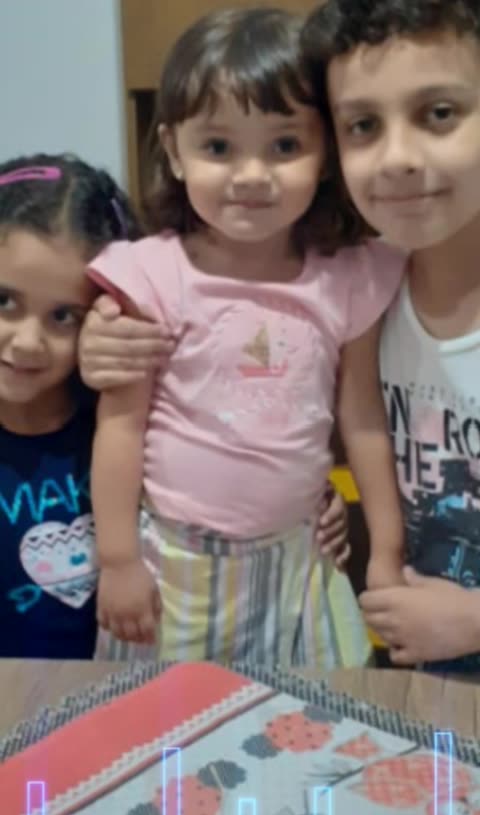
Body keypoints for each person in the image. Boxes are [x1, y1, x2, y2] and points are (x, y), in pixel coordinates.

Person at [84, 7, 406, 667]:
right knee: (168, 717)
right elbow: (120, 425)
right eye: (219, 147)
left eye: (285, 146)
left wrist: (388, 552)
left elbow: (363, 419)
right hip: (175, 564)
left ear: (326, 155)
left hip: (299, 563)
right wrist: (117, 561)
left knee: (317, 712)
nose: (252, 174)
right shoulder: (152, 277)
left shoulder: (347, 278)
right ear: (174, 151)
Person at [303, 0, 480, 672]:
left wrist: (472, 621)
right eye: (363, 126)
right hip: (423, 687)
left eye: (439, 113)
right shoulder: (361, 297)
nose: (397, 158)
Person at [0, 152, 146, 658]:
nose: (27, 342)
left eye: (64, 316)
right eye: (4, 301)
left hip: (118, 689)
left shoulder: (130, 425)